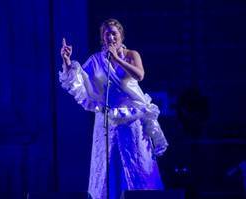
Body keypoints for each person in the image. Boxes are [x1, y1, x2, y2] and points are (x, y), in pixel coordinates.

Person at [59, 18, 168, 199]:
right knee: (109, 164)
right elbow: (80, 81)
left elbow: (139, 75)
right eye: (106, 33)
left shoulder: (132, 54)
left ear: (121, 36)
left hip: (132, 118)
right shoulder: (96, 60)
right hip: (107, 120)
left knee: (137, 161)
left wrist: (117, 58)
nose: (110, 36)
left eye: (114, 33)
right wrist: (67, 61)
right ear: (102, 37)